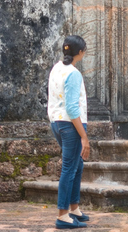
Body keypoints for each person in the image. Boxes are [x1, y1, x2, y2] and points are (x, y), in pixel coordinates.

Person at [47, 35, 91, 229]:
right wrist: (84, 136)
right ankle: (62, 214)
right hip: (70, 124)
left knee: (77, 165)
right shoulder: (73, 73)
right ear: (79, 52)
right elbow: (73, 109)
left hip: (57, 122)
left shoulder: (56, 68)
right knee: (69, 168)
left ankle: (74, 209)